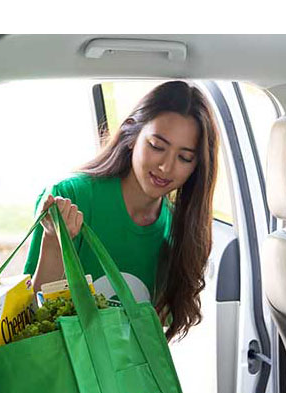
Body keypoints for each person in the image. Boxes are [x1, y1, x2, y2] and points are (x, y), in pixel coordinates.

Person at [23, 80, 220, 341]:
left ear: (197, 167)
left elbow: (152, 334)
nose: (166, 167)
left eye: (184, 157)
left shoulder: (178, 231)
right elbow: (31, 318)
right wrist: (53, 242)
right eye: (157, 146)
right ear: (131, 136)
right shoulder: (70, 198)